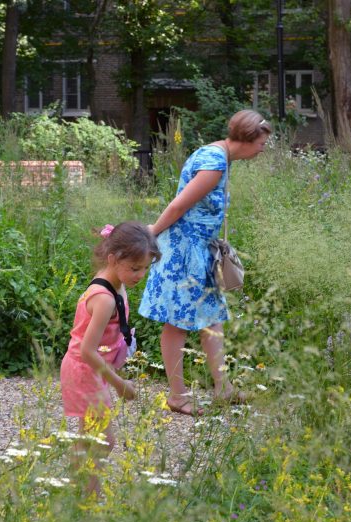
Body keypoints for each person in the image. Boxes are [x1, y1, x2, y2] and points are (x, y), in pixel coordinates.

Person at [139, 109, 272, 415]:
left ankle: (223, 389)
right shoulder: (214, 163)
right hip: (185, 251)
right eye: (262, 143)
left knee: (213, 319)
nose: (263, 149)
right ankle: (177, 395)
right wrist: (152, 234)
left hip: (201, 251)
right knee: (177, 324)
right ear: (248, 139)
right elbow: (178, 206)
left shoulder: (219, 155)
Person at [60, 221, 161, 495]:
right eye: (135, 268)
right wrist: (118, 383)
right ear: (113, 259)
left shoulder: (117, 282)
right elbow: (86, 350)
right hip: (85, 370)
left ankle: (77, 491)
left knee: (88, 436)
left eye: (145, 268)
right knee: (103, 440)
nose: (140, 275)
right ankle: (88, 496)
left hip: (94, 368)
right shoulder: (104, 298)